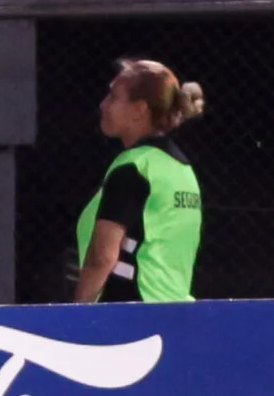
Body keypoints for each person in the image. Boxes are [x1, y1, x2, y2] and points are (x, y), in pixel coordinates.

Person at [77, 59, 205, 304]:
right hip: (176, 310)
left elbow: (102, 257)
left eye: (113, 97)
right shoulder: (182, 170)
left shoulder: (134, 167)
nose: (103, 104)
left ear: (139, 110)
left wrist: (78, 317)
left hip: (129, 314)